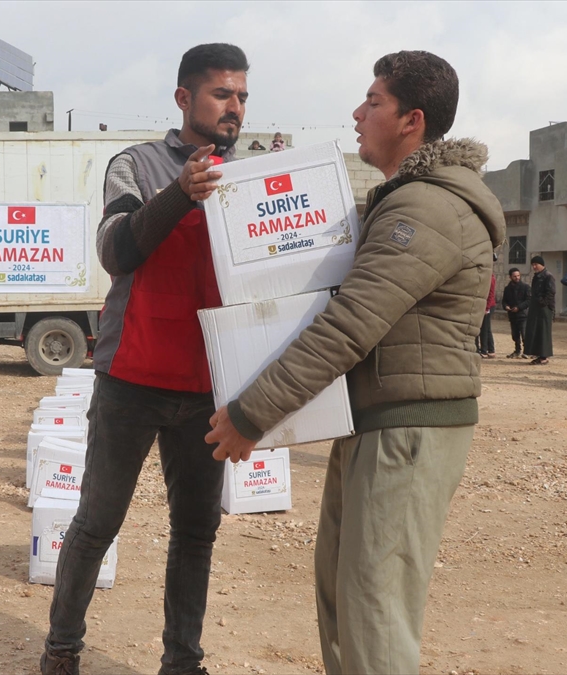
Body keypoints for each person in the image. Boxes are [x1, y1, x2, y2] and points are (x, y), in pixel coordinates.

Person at [204, 50, 504, 675]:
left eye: (374, 102)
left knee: (375, 608)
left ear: (411, 121)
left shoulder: (425, 209)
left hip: (408, 428)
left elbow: (349, 326)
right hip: (377, 418)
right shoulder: (408, 200)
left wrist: (252, 414)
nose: (357, 114)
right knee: (344, 596)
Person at [39, 43, 249, 675]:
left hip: (209, 387)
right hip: (130, 379)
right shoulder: (136, 165)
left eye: (242, 96)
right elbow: (116, 250)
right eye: (221, 94)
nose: (234, 107)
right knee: (97, 523)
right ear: (184, 98)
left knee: (196, 532)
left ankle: (183, 662)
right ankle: (61, 652)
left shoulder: (252, 178)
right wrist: (179, 194)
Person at [524, 255, 556, 364]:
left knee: (543, 332)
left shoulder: (548, 276)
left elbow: (551, 292)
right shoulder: (537, 276)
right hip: (536, 308)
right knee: (535, 331)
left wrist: (542, 302)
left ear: (541, 264)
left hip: (544, 309)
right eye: (532, 265)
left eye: (536, 264)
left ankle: (544, 357)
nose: (534, 267)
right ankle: (538, 353)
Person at [503, 267, 530, 358]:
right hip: (512, 315)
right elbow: (504, 301)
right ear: (510, 277)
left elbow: (528, 300)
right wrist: (506, 306)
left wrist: (519, 307)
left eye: (518, 275)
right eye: (515, 276)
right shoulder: (507, 289)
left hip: (523, 315)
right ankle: (517, 350)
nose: (517, 278)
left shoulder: (525, 287)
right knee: (515, 335)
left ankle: (527, 351)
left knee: (524, 334)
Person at [476, 269, 497, 357]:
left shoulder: (490, 278)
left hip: (488, 306)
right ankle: (491, 349)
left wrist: (487, 308)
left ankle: (484, 350)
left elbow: (491, 294)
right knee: (487, 328)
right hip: (483, 305)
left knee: (484, 328)